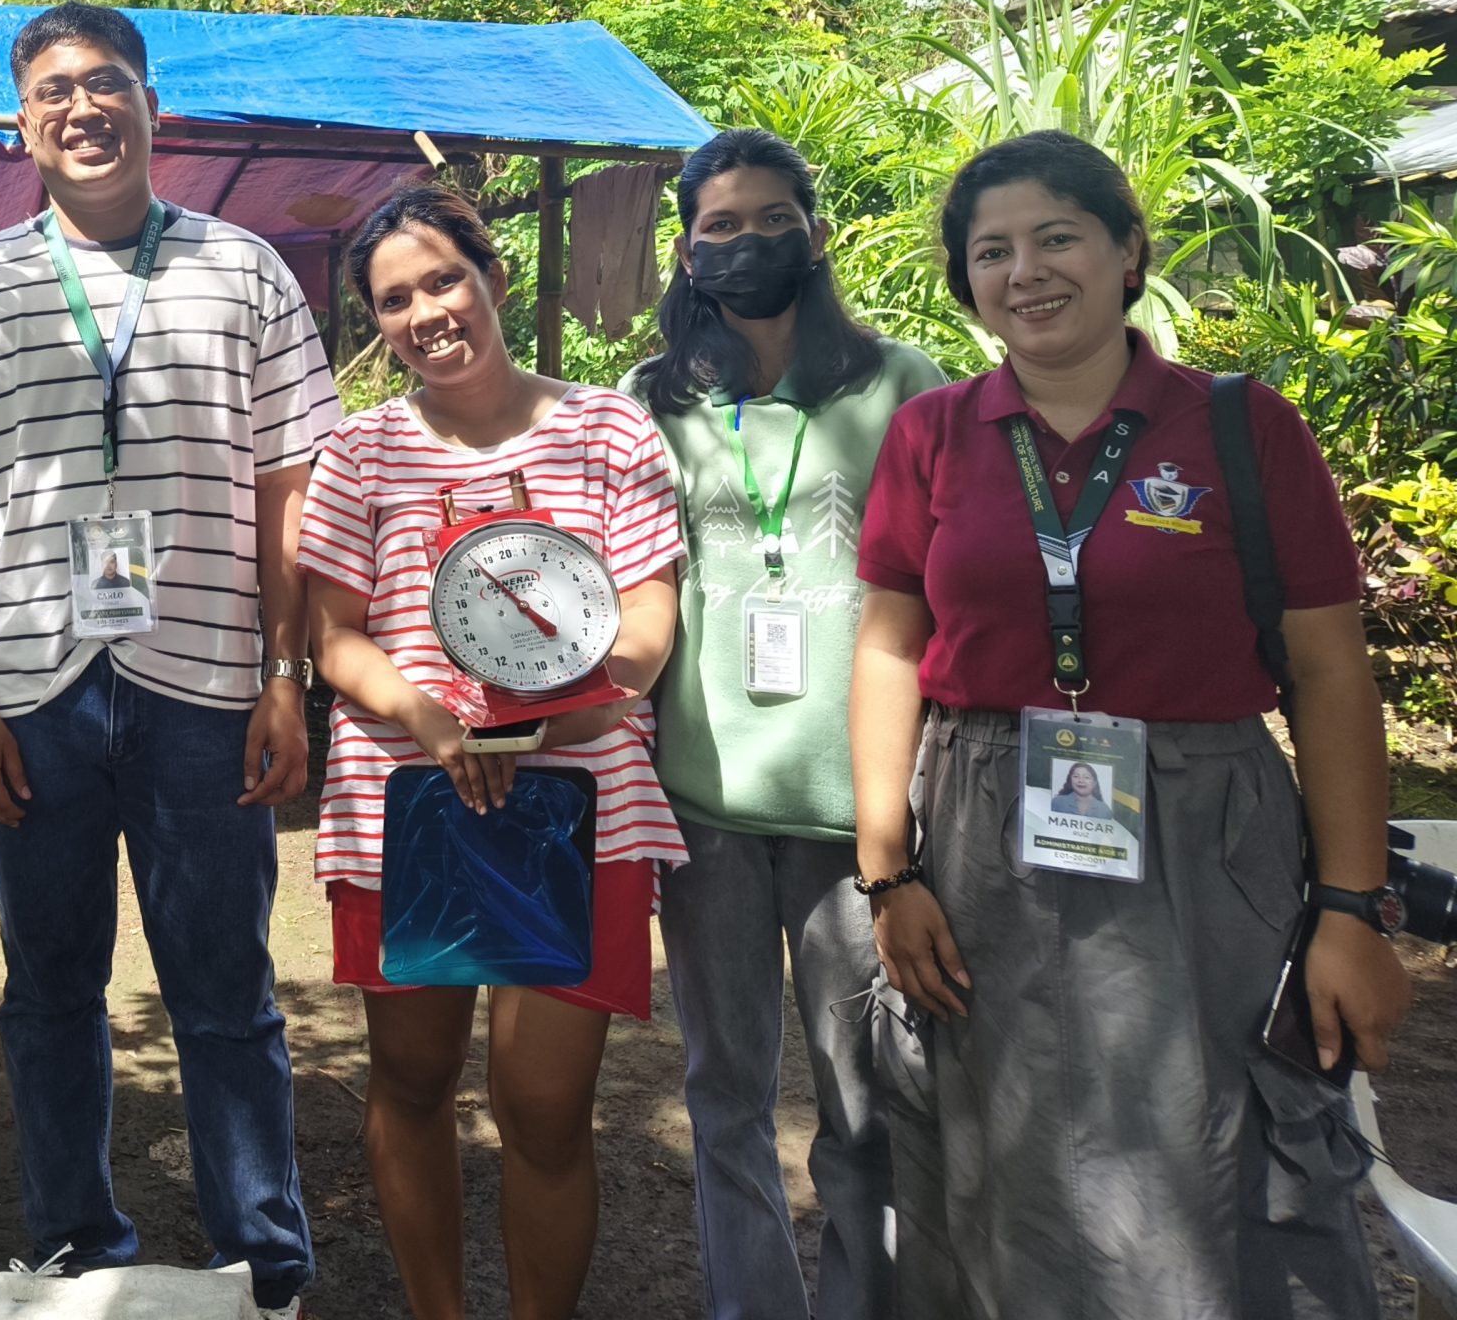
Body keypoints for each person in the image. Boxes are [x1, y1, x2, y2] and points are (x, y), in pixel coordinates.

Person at [850, 129, 1412, 1320]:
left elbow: (1327, 674)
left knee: (1212, 1143)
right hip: (977, 826)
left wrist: (1352, 912)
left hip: (1206, 832)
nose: (1026, 271)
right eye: (991, 251)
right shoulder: (933, 435)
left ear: (1125, 252)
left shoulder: (1240, 430)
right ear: (967, 282)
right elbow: (890, 647)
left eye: (1057, 237)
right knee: (995, 1151)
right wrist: (884, 870)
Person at [0, 1, 334, 1317]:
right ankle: (77, 1253)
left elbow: (289, 486)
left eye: (108, 83)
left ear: (152, 106)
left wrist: (286, 673)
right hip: (32, 694)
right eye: (56, 90)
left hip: (207, 688)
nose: (84, 107)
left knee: (227, 994)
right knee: (49, 993)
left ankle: (266, 1268)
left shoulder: (245, 272)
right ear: (23, 124)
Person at [298, 184, 684, 1320]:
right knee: (411, 1082)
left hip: (580, 805)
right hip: (409, 805)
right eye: (392, 300)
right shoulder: (358, 454)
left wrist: (555, 719)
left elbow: (648, 624)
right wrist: (435, 725)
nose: (425, 313)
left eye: (442, 279)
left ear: (493, 276)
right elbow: (333, 636)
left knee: (546, 1108)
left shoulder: (609, 430)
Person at [626, 129, 943, 1320]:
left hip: (850, 809)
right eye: (720, 225)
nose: (747, 242)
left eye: (772, 219)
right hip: (700, 801)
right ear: (687, 249)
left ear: (813, 232)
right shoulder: (651, 402)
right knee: (724, 1094)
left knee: (866, 1106)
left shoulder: (901, 384)